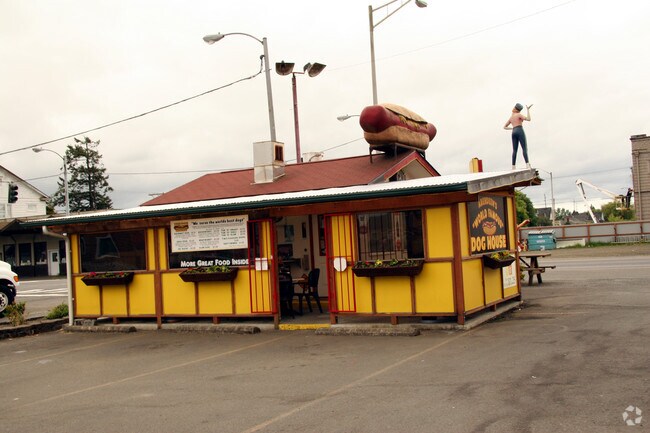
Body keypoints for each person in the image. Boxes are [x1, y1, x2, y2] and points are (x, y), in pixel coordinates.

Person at [504, 103, 533, 169]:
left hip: (514, 131)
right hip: (520, 130)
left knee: (514, 150)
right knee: (524, 148)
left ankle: (513, 166)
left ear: (515, 109)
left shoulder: (511, 118)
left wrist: (512, 128)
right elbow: (529, 119)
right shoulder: (519, 115)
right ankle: (527, 164)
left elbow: (505, 127)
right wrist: (528, 110)